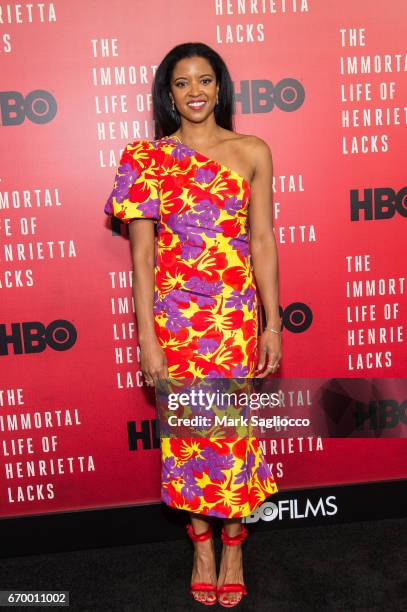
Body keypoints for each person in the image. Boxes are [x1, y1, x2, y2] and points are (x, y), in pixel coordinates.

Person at [104, 42, 282, 608]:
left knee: (231, 439)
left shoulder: (252, 150)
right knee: (186, 441)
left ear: (221, 87)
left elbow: (261, 241)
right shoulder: (145, 158)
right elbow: (141, 259)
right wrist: (147, 340)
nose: (196, 91)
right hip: (177, 322)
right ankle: (201, 542)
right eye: (182, 83)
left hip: (232, 321)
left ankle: (234, 542)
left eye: (206, 80)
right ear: (169, 93)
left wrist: (271, 324)